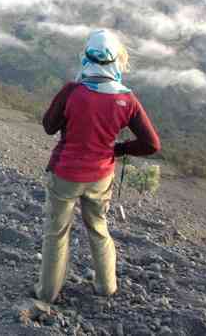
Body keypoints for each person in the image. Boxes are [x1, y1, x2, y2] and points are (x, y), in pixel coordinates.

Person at [35, 29, 161, 304]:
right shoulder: (127, 99)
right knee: (99, 229)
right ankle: (106, 287)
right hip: (101, 175)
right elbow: (151, 144)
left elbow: (48, 126)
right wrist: (118, 149)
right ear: (116, 60)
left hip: (65, 173)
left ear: (87, 57)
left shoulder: (72, 91)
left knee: (56, 233)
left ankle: (47, 293)